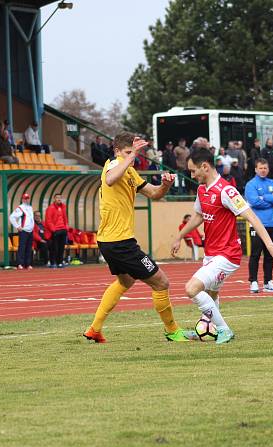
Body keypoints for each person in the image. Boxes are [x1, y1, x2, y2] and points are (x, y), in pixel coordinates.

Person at [83, 131, 193, 343]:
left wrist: (165, 186)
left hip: (110, 241)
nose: (131, 156)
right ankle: (173, 332)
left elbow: (153, 194)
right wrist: (130, 156)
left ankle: (94, 329)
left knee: (125, 281)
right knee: (161, 282)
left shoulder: (130, 172)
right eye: (127, 152)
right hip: (119, 241)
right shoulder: (112, 165)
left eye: (132, 152)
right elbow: (110, 179)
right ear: (117, 152)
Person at [171, 148, 273, 344]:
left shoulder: (226, 191)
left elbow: (252, 217)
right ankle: (207, 329)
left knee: (191, 289)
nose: (191, 175)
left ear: (205, 167)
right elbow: (199, 216)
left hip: (227, 255)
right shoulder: (201, 190)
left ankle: (225, 330)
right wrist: (179, 236)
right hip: (212, 253)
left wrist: (270, 246)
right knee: (210, 294)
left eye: (193, 171)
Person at [244, 158, 273, 294]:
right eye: (260, 168)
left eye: (265, 168)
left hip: (272, 224)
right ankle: (253, 282)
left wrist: (264, 197)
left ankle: (268, 282)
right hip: (256, 224)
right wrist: (271, 198)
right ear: (256, 169)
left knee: (270, 254)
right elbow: (254, 202)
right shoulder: (251, 184)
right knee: (255, 254)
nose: (263, 170)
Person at [9, 192, 35, 270]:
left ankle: (28, 263)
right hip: (24, 231)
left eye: (28, 198)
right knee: (22, 247)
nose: (27, 200)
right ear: (22, 199)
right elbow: (11, 217)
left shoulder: (30, 208)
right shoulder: (20, 208)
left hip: (30, 231)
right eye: (25, 198)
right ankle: (20, 263)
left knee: (29, 248)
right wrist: (17, 226)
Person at [45, 193, 69, 268]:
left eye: (60, 198)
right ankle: (53, 262)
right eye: (57, 198)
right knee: (54, 247)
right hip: (55, 230)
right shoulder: (50, 208)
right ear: (54, 199)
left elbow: (65, 218)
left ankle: (60, 262)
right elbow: (48, 220)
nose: (59, 199)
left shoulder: (63, 207)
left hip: (63, 229)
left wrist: (66, 227)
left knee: (61, 247)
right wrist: (53, 230)